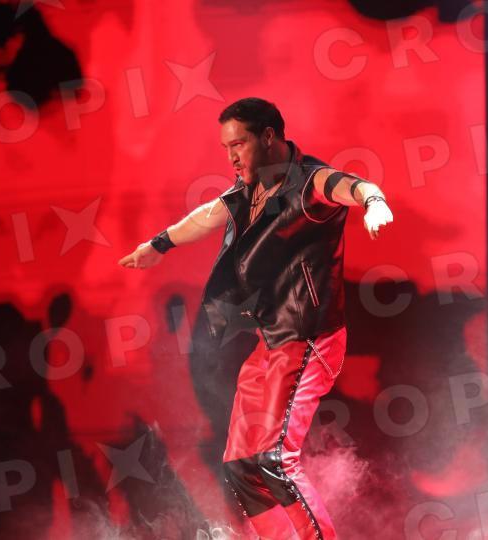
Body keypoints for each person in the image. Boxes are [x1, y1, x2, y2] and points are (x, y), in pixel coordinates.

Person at [118, 97, 393, 539]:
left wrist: (374, 201)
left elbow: (352, 186)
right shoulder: (249, 190)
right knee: (242, 467)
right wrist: (158, 245)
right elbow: (207, 215)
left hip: (308, 339)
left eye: (239, 144)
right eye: (226, 147)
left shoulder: (309, 182)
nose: (231, 156)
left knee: (274, 460)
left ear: (268, 137)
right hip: (270, 344)